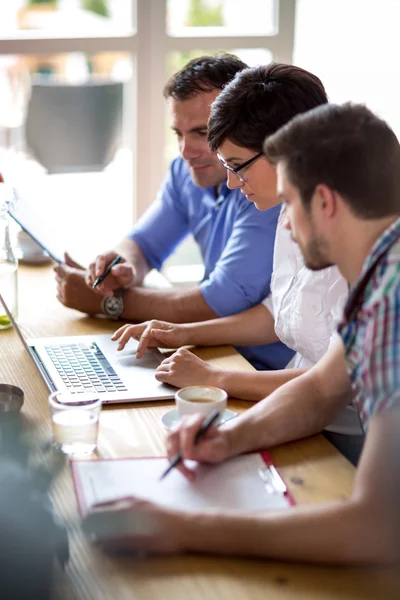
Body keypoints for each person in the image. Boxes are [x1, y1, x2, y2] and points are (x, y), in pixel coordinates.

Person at [84, 103, 400, 565]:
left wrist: (182, 527)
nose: (286, 223)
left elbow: (376, 529)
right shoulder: (379, 273)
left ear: (326, 202)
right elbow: (320, 388)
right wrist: (229, 437)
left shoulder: (390, 304)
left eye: (290, 202)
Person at [112, 64, 362, 462]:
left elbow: (331, 385)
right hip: (296, 414)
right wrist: (182, 332)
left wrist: (215, 378)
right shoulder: (289, 210)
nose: (230, 183)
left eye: (237, 166)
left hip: (349, 437)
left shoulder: (363, 240)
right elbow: (279, 312)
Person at [54, 54, 292, 372]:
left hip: (261, 368)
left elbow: (221, 300)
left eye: (201, 133)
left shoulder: (265, 190)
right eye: (178, 134)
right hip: (210, 352)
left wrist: (108, 302)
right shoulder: (186, 172)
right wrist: (121, 266)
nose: (186, 151)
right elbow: (145, 243)